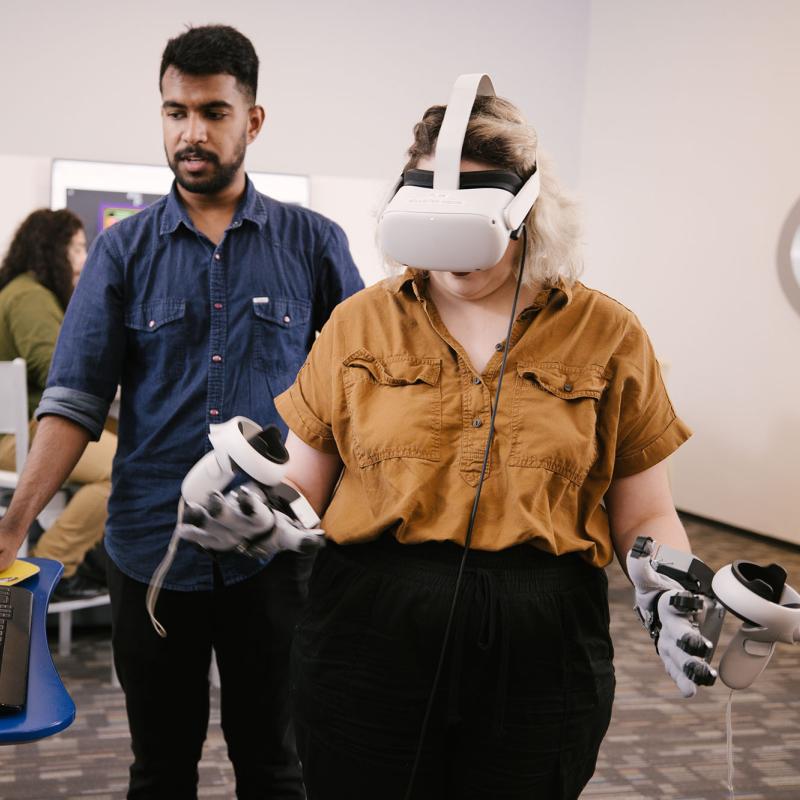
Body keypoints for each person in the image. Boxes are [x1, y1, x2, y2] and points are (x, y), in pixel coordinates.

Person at [268, 94, 696, 798]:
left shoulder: (609, 333)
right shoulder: (359, 324)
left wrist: (670, 591)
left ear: (527, 209)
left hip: (543, 639)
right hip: (369, 629)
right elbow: (301, 483)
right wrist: (255, 513)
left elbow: (644, 512)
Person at [0, 24, 363, 800]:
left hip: (278, 559)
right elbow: (72, 399)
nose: (191, 132)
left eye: (213, 112)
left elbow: (364, 395)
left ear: (252, 120)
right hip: (149, 549)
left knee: (276, 765)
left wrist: (326, 507)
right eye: (175, 112)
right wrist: (14, 520)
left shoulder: (314, 243)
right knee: (158, 769)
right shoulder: (121, 252)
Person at [0, 208, 115, 599]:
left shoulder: (19, 291)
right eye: (78, 248)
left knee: (117, 434)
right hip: (17, 438)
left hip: (19, 432)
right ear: (53, 250)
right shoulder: (30, 297)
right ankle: (54, 564)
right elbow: (59, 371)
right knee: (126, 467)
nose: (84, 259)